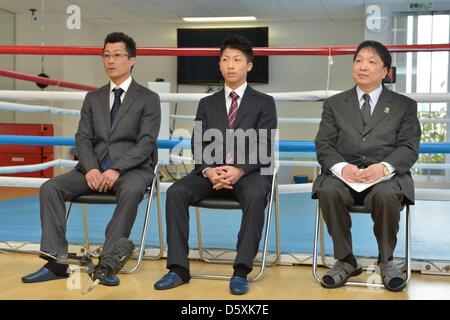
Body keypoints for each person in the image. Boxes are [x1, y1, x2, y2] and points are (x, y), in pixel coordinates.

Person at [22, 32, 161, 286]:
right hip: (92, 169)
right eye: (106, 55)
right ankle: (56, 262)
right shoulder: (93, 98)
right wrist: (91, 169)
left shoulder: (148, 98)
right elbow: (83, 138)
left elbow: (146, 143)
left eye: (117, 55)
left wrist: (116, 169)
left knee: (131, 191)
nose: (110, 60)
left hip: (132, 170)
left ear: (132, 60)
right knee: (50, 187)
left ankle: (108, 262)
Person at [154, 34, 277, 295]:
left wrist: (239, 169)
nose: (230, 65)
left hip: (249, 173)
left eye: (237, 60)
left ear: (249, 66)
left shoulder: (264, 102)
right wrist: (209, 170)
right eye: (225, 60)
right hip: (211, 171)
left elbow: (264, 146)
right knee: (176, 192)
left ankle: (241, 270)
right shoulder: (206, 103)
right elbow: (198, 144)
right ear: (219, 65)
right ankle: (178, 269)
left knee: (256, 195)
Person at [312, 40, 421, 292]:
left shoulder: (404, 105)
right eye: (359, 60)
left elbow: (408, 147)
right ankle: (346, 260)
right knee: (329, 190)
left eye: (372, 62)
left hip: (385, 177)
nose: (363, 66)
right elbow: (324, 144)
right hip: (344, 175)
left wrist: (384, 168)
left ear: (385, 72)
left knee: (385, 194)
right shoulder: (335, 104)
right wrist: (341, 167)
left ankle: (386, 261)